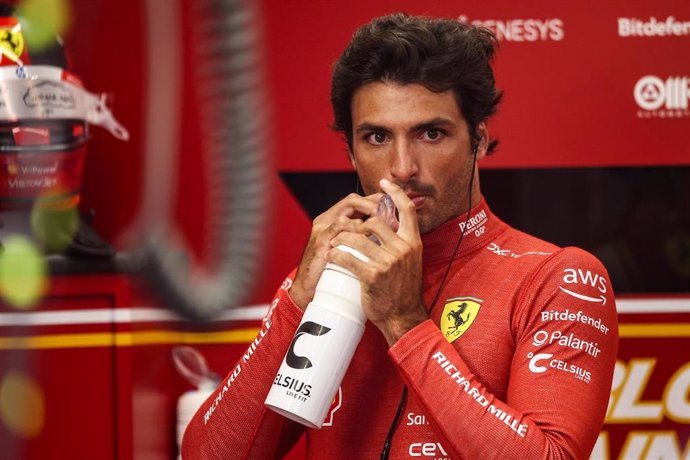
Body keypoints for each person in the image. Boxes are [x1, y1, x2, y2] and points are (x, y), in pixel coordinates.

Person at [182, 13, 618, 459]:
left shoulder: (558, 278)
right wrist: (296, 304)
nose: (403, 167)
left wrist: (404, 324)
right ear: (351, 152)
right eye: (376, 137)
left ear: (480, 139)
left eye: (431, 133)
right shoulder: (336, 275)